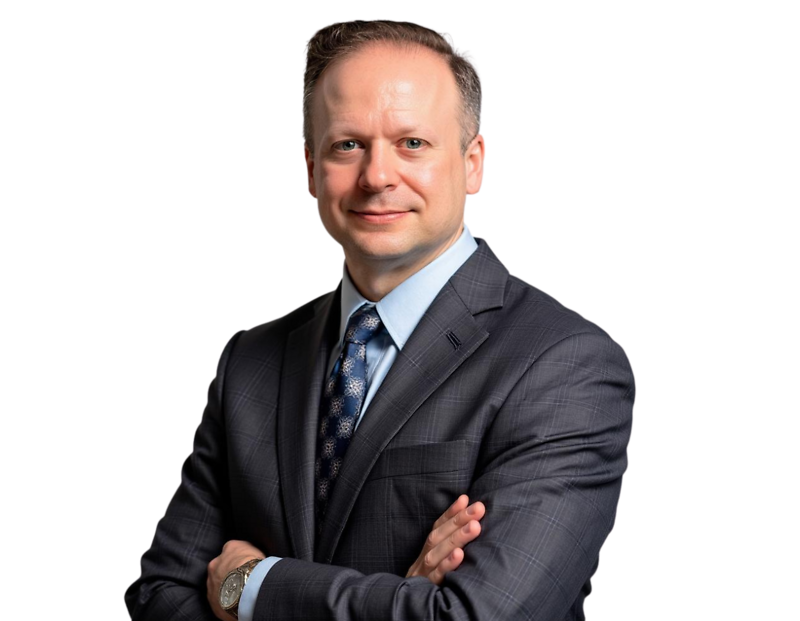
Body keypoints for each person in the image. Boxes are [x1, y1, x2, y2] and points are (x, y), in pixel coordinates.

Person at [123, 18, 636, 621]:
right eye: (348, 145)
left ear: (474, 162)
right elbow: (157, 598)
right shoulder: (251, 360)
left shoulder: (566, 364)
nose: (376, 177)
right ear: (310, 170)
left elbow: (481, 619)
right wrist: (406, 594)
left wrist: (253, 586)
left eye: (412, 143)